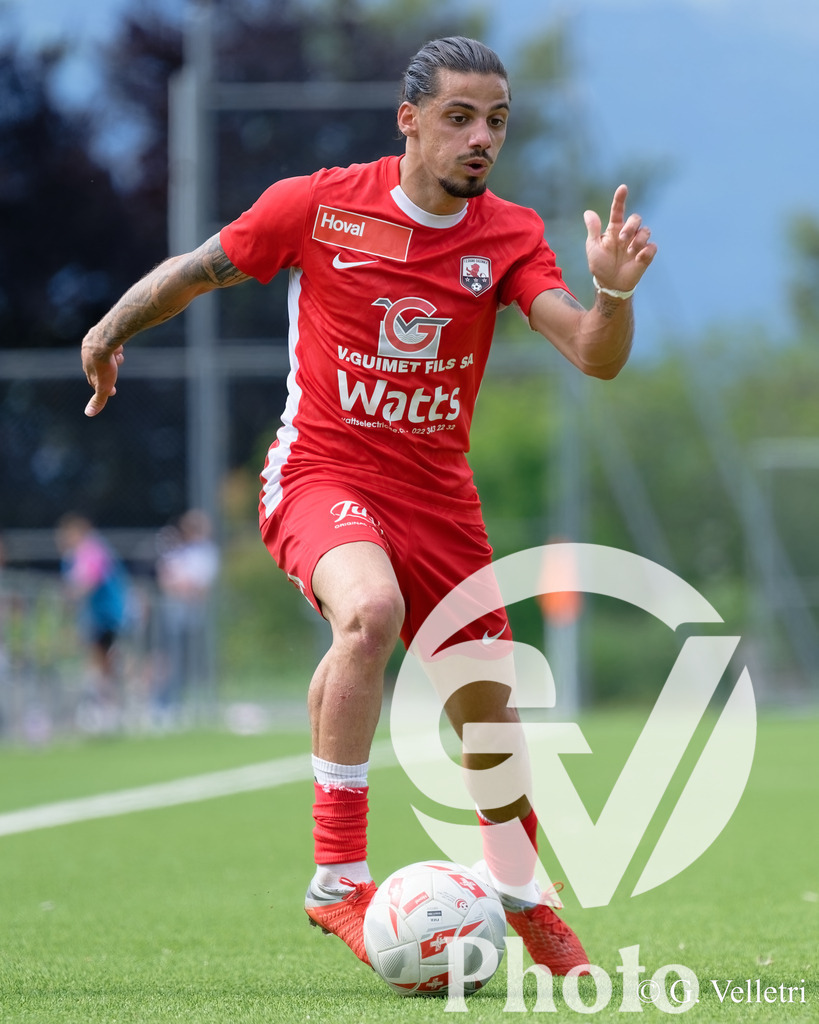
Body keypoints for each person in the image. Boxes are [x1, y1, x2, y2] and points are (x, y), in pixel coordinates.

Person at [80, 37, 656, 973]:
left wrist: (612, 293)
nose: (480, 137)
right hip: (321, 473)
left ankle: (521, 895)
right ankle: (338, 880)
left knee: (486, 713)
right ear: (408, 120)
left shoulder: (507, 235)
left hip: (438, 499)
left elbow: (593, 353)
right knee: (370, 613)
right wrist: (108, 332)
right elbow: (194, 269)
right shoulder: (317, 206)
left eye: (496, 121)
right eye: (459, 117)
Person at [56, 513, 129, 731]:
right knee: (99, 663)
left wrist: (72, 593)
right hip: (94, 617)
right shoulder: (73, 557)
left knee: (105, 662)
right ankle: (104, 708)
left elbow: (88, 579)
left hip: (108, 616)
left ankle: (108, 710)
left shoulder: (93, 550)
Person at [153, 509, 220, 723]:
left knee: (191, 663)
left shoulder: (206, 552)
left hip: (193, 617)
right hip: (174, 615)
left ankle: (193, 704)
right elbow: (166, 579)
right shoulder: (179, 551)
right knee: (167, 660)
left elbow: (198, 585)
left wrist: (182, 585)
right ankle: (165, 703)